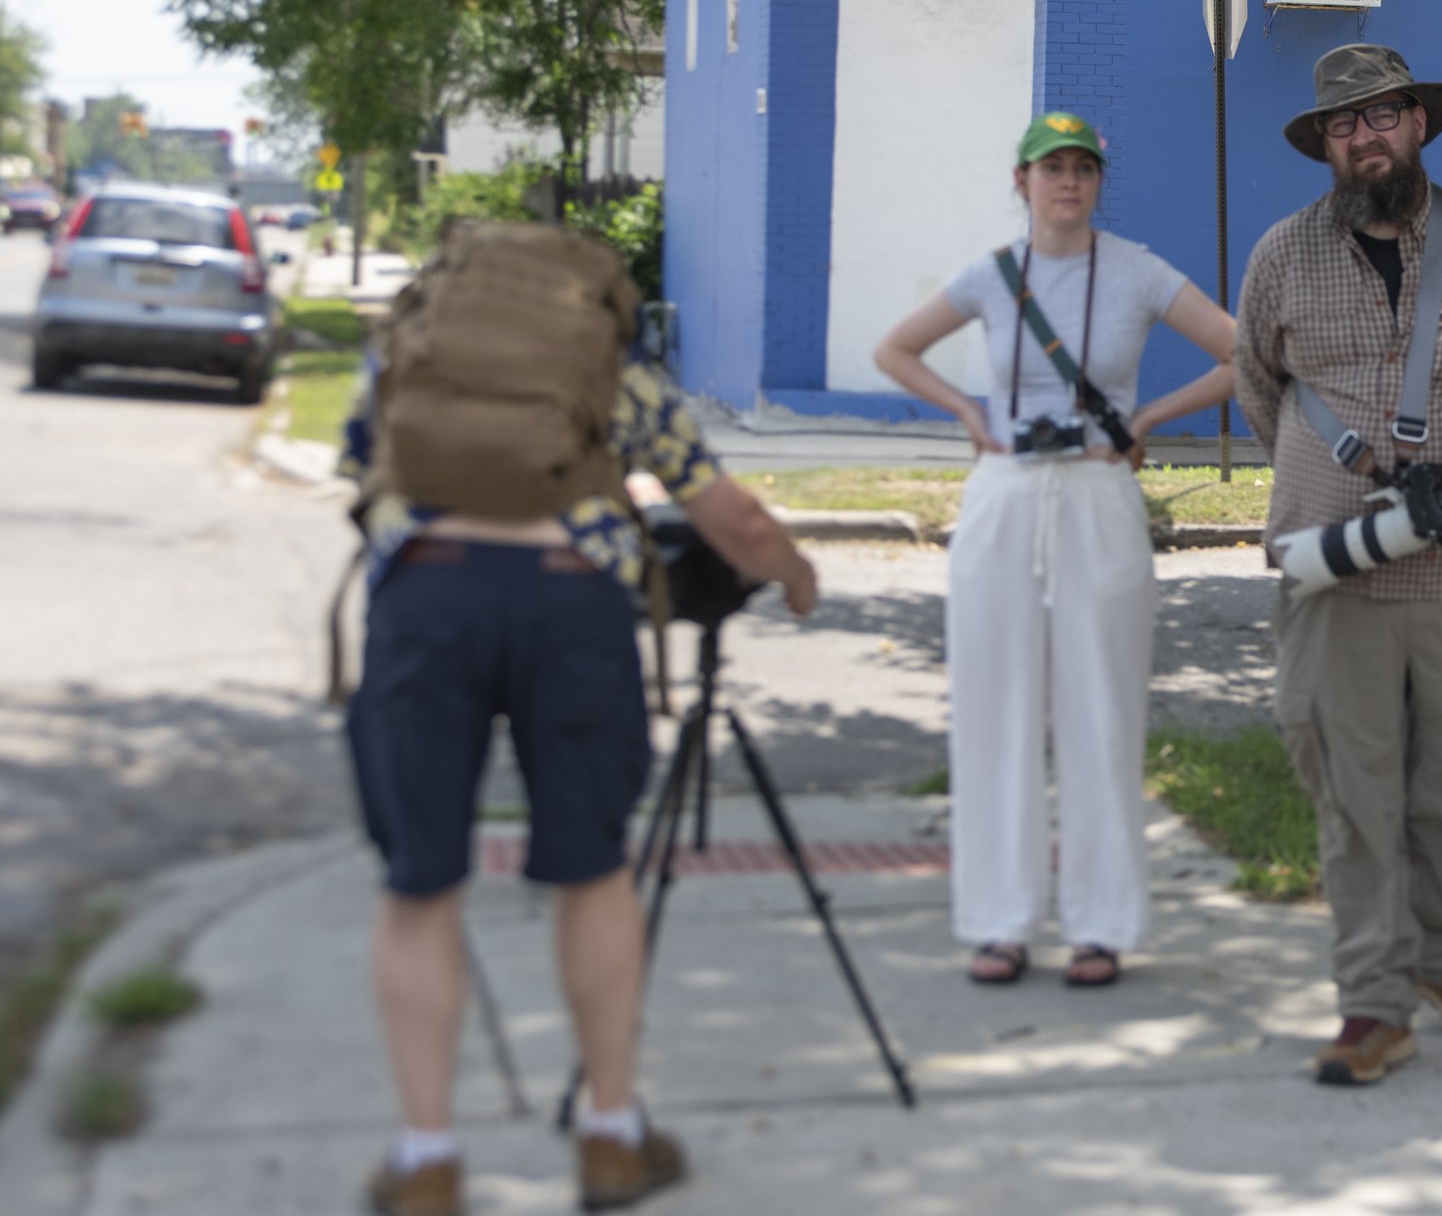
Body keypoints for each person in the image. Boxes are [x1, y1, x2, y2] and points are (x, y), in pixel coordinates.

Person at [342, 222, 820, 1216]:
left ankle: (426, 1160)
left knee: (419, 883)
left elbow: (360, 460)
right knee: (593, 871)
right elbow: (727, 514)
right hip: (573, 603)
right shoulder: (613, 363)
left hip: (426, 601)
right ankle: (611, 1139)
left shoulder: (406, 347)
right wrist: (796, 574)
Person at [1235, 44, 1442, 1086]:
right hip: (1336, 584)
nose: (1364, 135)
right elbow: (1259, 386)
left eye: (1382, 114)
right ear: (1324, 144)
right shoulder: (1282, 255)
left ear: (1419, 122)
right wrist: (1336, 493)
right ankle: (1374, 1004)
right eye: (1343, 122)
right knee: (1357, 799)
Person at [873, 113, 1236, 988]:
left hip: (1097, 498)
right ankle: (999, 922)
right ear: (1021, 180)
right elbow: (895, 348)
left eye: (1082, 167)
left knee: (1101, 710)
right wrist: (968, 413)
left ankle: (1100, 924)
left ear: (1098, 181)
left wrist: (1146, 419)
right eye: (1050, 167)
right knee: (993, 709)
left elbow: (1246, 352)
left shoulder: (1137, 270)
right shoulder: (993, 275)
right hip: (1002, 498)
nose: (1067, 181)